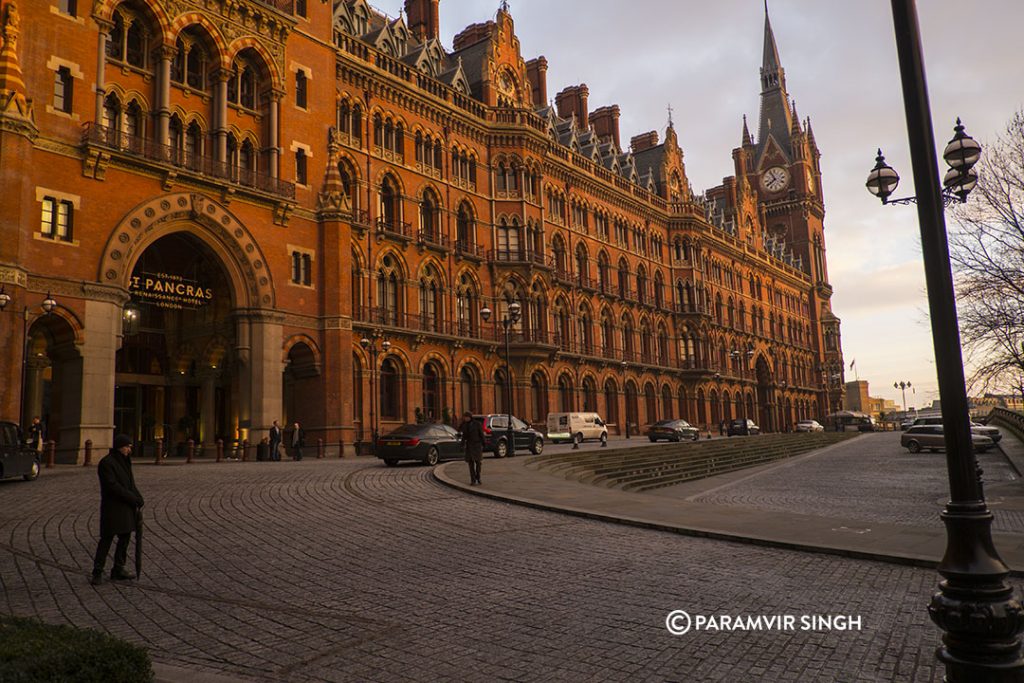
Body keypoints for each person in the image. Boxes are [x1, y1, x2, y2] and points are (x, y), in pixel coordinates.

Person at [91, 434, 143, 586]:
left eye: (130, 447)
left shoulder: (125, 461)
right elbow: (112, 486)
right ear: (120, 447)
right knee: (107, 538)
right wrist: (131, 497)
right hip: (113, 506)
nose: (129, 450)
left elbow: (130, 483)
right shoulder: (107, 463)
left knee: (125, 537)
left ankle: (118, 568)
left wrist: (138, 497)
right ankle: (97, 571)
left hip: (126, 506)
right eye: (127, 446)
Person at [459, 411, 485, 485]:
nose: (465, 418)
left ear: (470, 417)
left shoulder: (477, 424)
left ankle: (478, 476)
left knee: (478, 463)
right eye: (464, 417)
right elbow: (463, 436)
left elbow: (481, 434)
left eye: (466, 417)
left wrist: (484, 443)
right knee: (470, 464)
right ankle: (473, 480)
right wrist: (462, 445)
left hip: (477, 445)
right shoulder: (464, 425)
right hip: (469, 446)